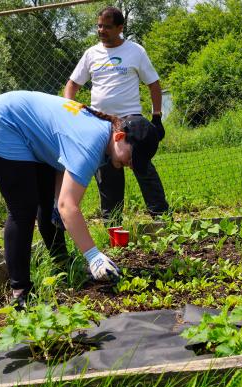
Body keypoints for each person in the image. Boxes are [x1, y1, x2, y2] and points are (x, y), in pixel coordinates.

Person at [0, 90, 160, 307]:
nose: (131, 164)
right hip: (4, 124)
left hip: (25, 127)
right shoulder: (91, 142)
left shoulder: (102, 134)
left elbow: (61, 158)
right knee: (23, 209)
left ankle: (62, 264)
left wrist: (58, 200)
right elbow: (68, 206)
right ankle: (21, 293)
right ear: (119, 137)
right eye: (131, 157)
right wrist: (94, 256)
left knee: (47, 204)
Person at [64, 6, 169, 225]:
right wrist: (71, 113)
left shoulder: (135, 51)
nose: (101, 30)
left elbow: (154, 84)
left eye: (107, 27)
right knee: (107, 172)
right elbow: (72, 85)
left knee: (143, 168)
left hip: (131, 122)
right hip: (100, 123)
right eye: (99, 25)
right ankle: (112, 224)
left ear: (120, 28)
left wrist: (156, 117)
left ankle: (161, 218)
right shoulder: (91, 54)